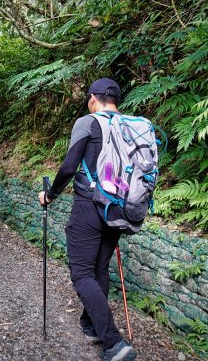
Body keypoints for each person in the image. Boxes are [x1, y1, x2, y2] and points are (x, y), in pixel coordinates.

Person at [38, 78, 137, 361]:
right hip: (119, 209)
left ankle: (113, 342)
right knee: (99, 270)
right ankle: (92, 325)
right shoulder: (129, 126)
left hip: (89, 207)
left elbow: (70, 165)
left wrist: (50, 194)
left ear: (93, 99)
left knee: (82, 272)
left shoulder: (88, 122)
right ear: (116, 99)